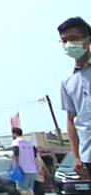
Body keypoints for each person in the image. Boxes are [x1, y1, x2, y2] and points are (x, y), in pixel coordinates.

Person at [59, 16, 91, 178]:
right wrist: (77, 156)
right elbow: (71, 119)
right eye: (64, 41)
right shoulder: (67, 81)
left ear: (88, 41)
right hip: (88, 155)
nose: (69, 45)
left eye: (74, 39)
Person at [11, 127, 38, 194]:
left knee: (22, 189)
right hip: (32, 169)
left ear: (14, 134)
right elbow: (35, 156)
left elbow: (16, 155)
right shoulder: (30, 144)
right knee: (30, 189)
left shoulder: (16, 143)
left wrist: (16, 167)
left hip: (22, 170)